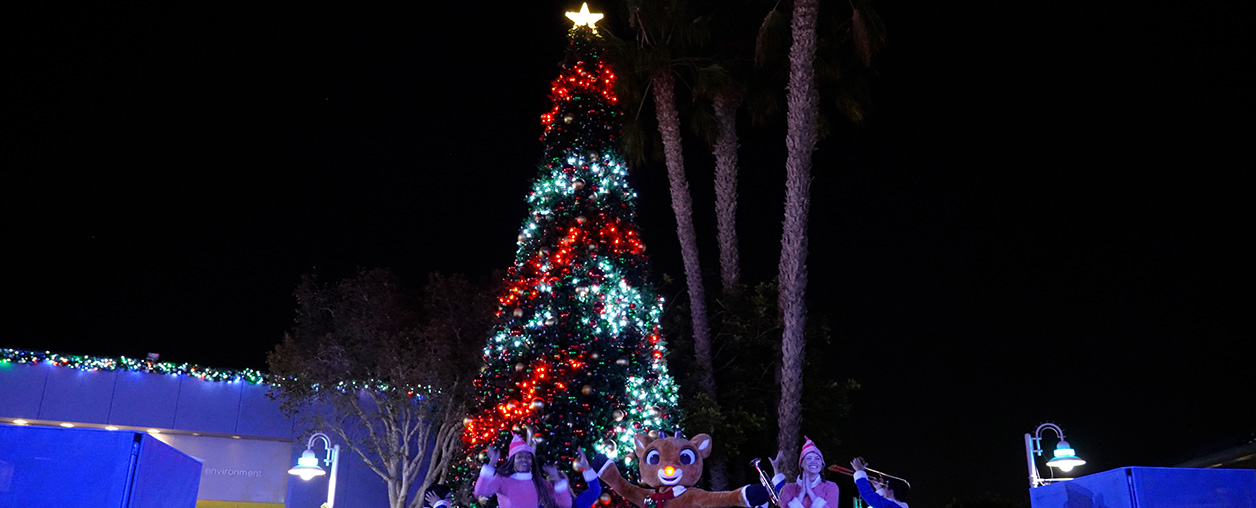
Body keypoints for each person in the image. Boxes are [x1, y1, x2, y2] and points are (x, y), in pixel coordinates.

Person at [475, 433, 574, 508]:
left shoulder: (538, 483)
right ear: (513, 460)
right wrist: (492, 463)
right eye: (520, 456)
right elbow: (480, 491)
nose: (524, 459)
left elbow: (565, 504)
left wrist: (556, 478)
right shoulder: (502, 480)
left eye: (528, 457)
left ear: (532, 462)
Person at [767, 437, 841, 508]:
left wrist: (810, 492)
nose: (813, 461)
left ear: (822, 465)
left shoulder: (830, 487)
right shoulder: (789, 488)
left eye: (817, 458)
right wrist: (801, 494)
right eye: (809, 458)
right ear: (801, 464)